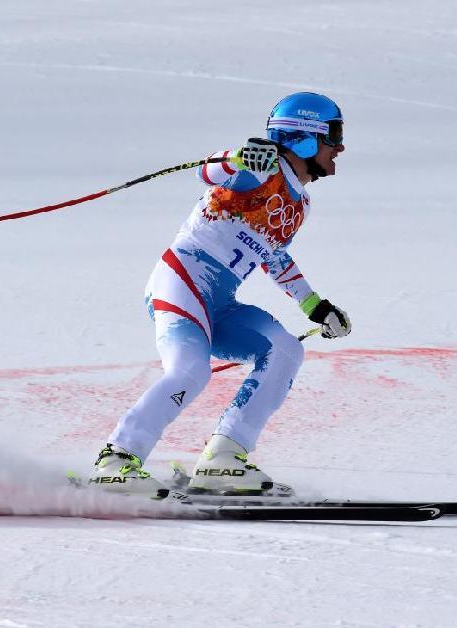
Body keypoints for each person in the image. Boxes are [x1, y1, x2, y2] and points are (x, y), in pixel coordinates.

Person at [89, 92, 352, 497]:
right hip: (182, 282)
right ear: (304, 137)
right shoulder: (260, 170)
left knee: (284, 350)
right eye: (333, 135)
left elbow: (274, 256)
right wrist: (239, 157)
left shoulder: (300, 203)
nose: (340, 147)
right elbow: (209, 173)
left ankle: (223, 459)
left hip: (219, 301)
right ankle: (116, 461)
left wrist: (315, 306)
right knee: (191, 371)